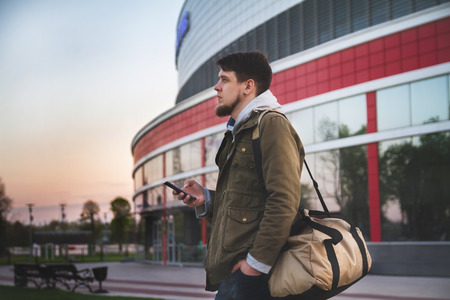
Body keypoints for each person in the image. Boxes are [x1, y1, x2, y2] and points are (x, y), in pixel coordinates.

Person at [173, 51, 304, 300]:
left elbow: (284, 201)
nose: (216, 87)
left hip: (254, 275)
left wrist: (254, 266)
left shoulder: (271, 124)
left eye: (224, 80)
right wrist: (207, 198)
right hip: (236, 273)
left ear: (248, 86)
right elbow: (247, 201)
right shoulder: (240, 131)